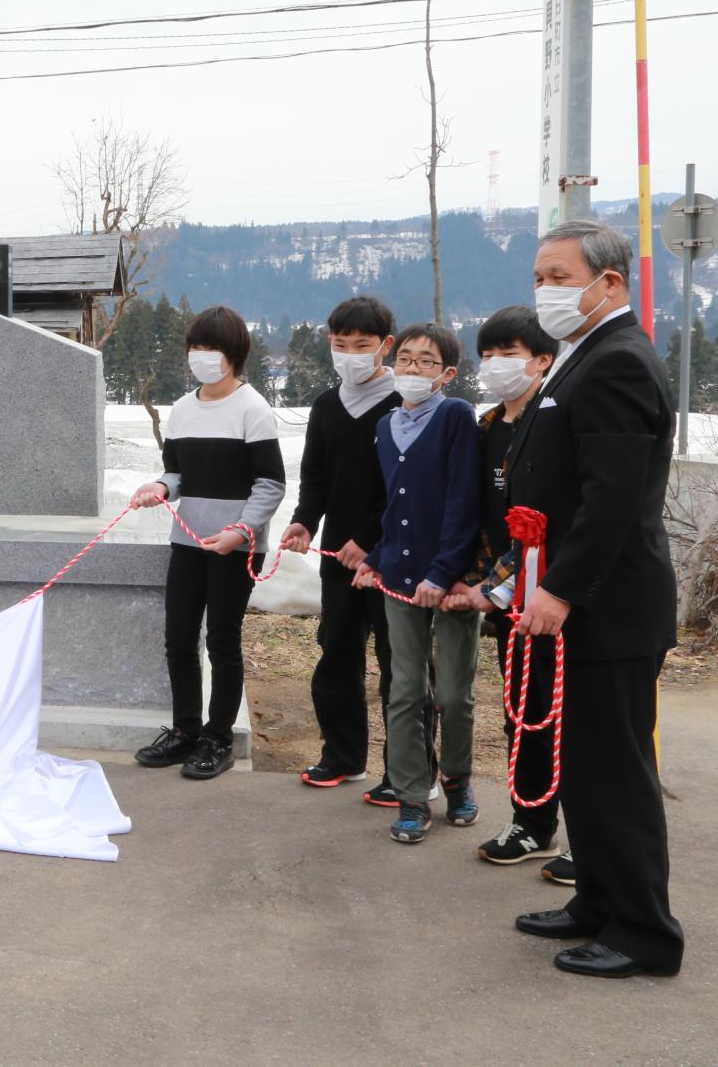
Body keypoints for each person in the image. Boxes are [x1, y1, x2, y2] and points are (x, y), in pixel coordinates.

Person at [506, 220, 683, 979]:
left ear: (608, 282)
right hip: (584, 606)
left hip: (606, 607)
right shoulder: (589, 356)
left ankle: (644, 931)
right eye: (539, 276)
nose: (544, 290)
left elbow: (609, 501)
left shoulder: (617, 363)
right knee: (584, 766)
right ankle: (600, 901)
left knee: (617, 771)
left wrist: (560, 587)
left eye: (557, 274)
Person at [280, 296, 440, 805]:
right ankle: (342, 756)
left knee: (402, 661)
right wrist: (305, 521)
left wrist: (370, 539)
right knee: (337, 651)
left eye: (362, 345)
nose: (349, 354)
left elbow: (410, 487)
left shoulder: (406, 404)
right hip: (338, 558)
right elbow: (317, 475)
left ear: (386, 347)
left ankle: (411, 770)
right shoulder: (328, 405)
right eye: (339, 344)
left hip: (397, 554)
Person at [128, 305, 286, 781]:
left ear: (234, 355)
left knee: (222, 640)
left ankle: (218, 737)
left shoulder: (253, 409)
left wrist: (242, 529)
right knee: (178, 638)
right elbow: (176, 473)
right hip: (188, 541)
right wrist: (160, 488)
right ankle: (184, 730)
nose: (201, 357)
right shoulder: (181, 409)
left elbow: (271, 484)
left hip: (235, 547)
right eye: (195, 348)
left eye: (211, 349)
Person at [452, 306, 571, 868]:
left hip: (554, 596)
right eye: (489, 353)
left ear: (543, 361)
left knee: (567, 714)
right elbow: (481, 516)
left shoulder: (554, 425)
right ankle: (532, 823)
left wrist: (494, 586)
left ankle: (592, 838)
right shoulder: (484, 426)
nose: (496, 364)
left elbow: (548, 521)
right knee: (521, 709)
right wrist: (472, 578)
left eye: (510, 354)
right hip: (506, 598)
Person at [355, 323, 482, 845]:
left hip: (450, 584)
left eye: (426, 361)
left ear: (447, 373)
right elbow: (395, 507)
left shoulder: (455, 415)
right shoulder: (386, 426)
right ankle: (412, 793)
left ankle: (456, 779)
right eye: (404, 358)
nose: (411, 368)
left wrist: (443, 572)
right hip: (399, 579)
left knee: (453, 693)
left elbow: (463, 501)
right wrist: (376, 559)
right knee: (404, 690)